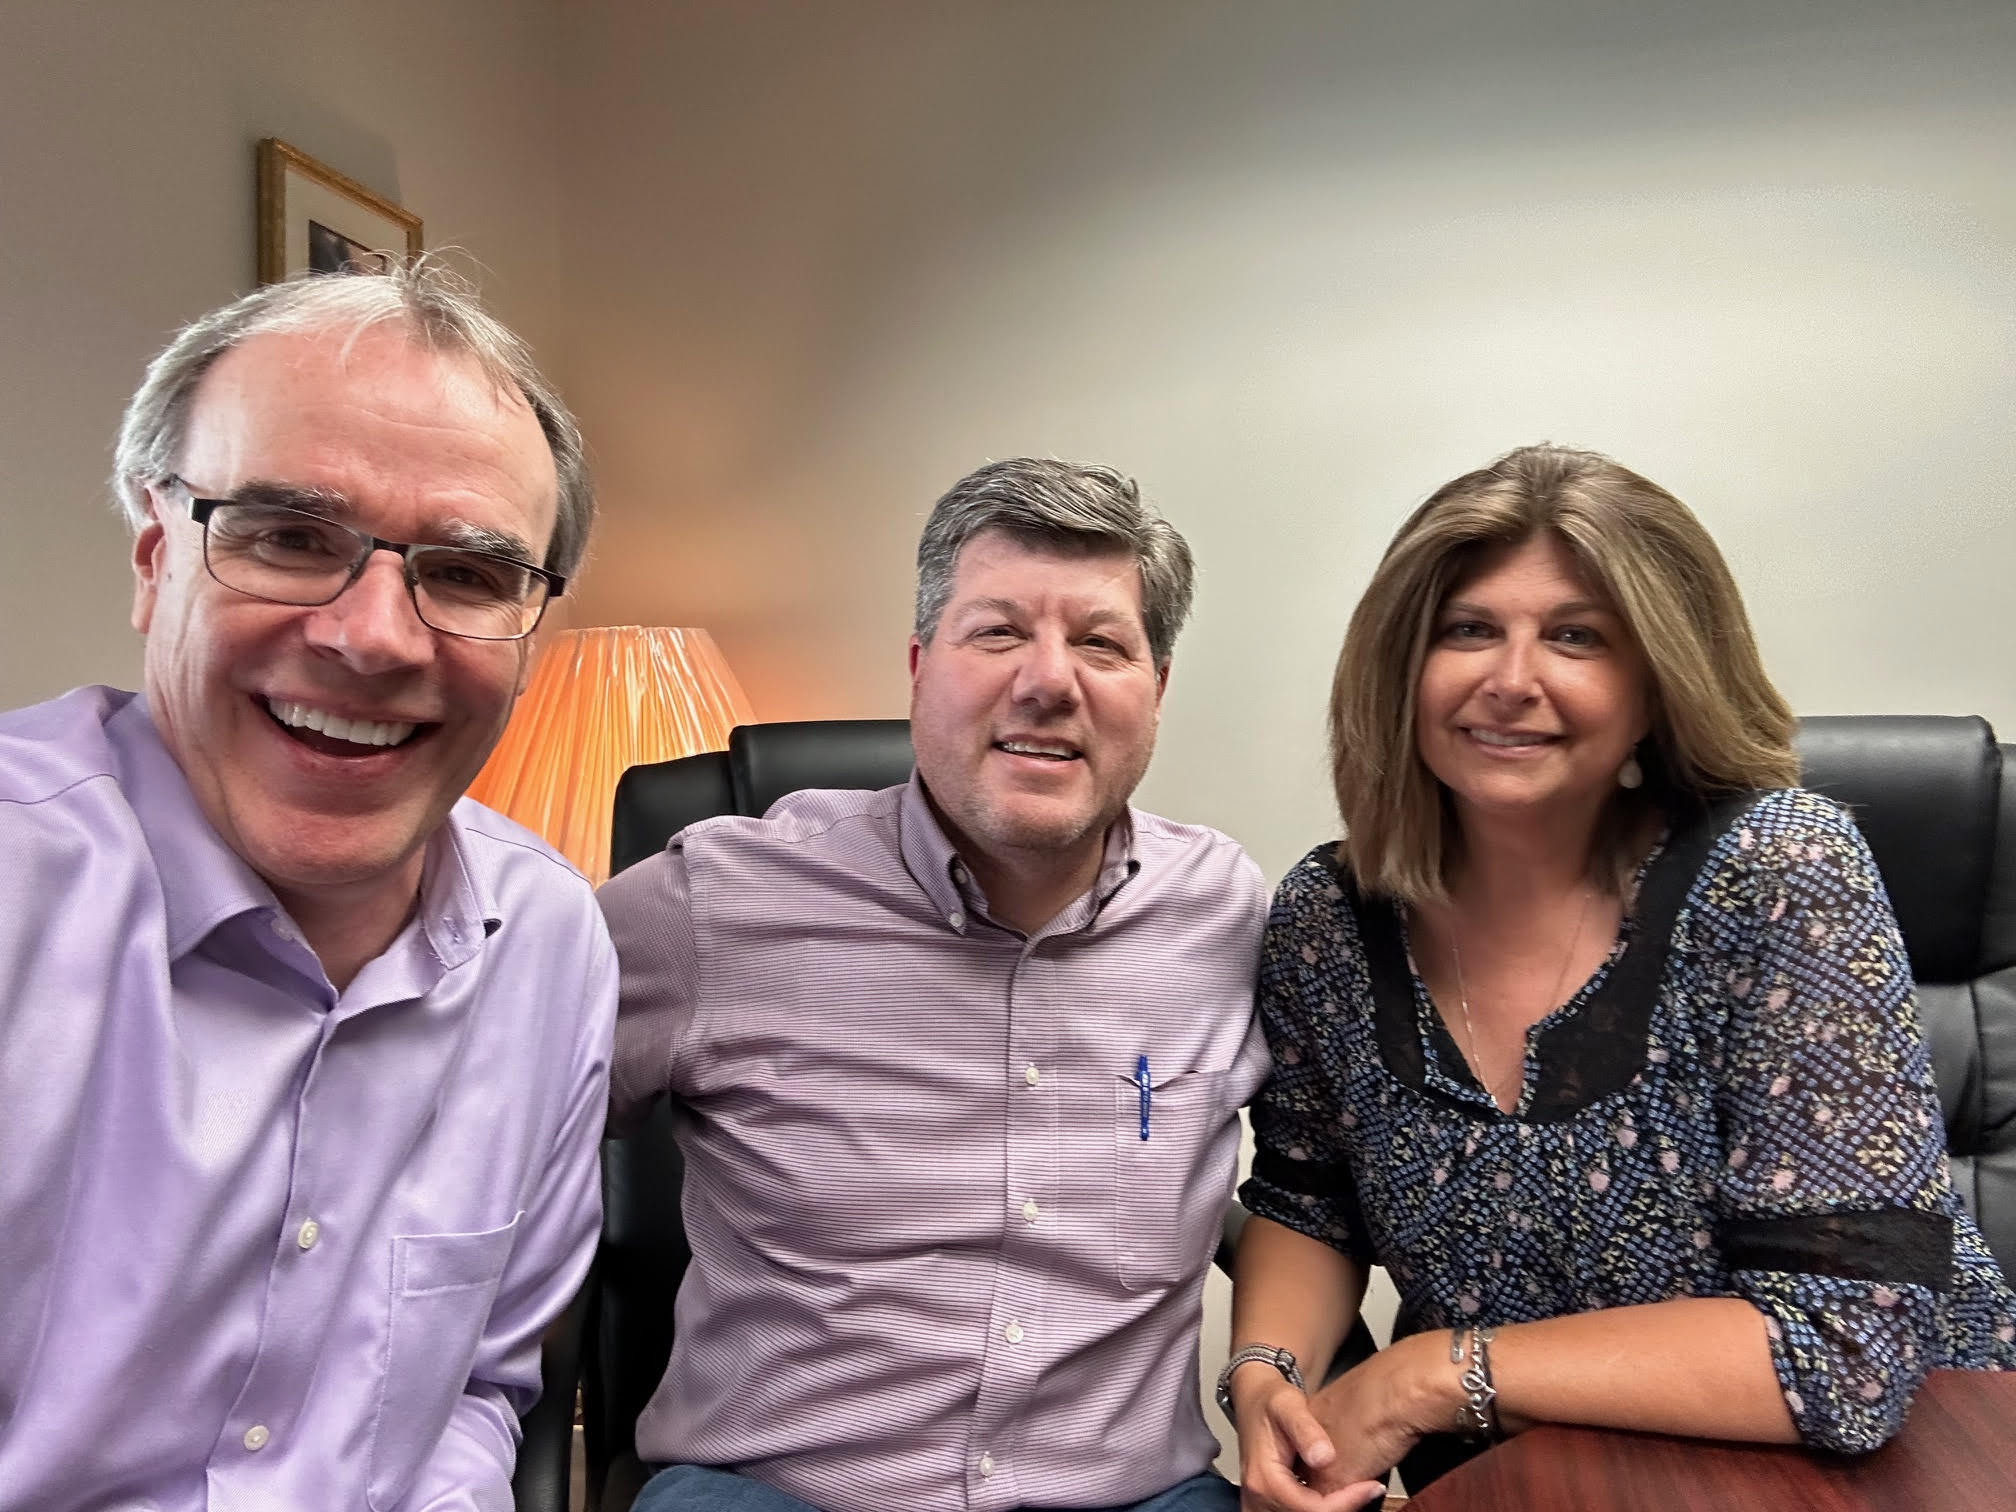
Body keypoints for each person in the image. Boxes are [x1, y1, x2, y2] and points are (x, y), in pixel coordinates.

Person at [1226, 443, 2016, 1509]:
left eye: (1575, 637)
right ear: (1398, 669)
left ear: (1657, 683)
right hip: (1522, 1481)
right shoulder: (1329, 915)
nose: (1512, 681)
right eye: (1468, 630)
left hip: (1873, 1477)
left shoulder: (1779, 873)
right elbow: (1307, 1201)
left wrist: (1433, 1373)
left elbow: (1845, 1351)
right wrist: (1267, 1375)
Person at [0, 262, 616, 1510]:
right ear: (154, 557)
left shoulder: (548, 943)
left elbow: (480, 1390)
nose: (378, 636)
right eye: (289, 537)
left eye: (466, 572)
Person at [601, 458, 1326, 1512]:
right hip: (777, 1495)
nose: (1048, 680)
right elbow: (477, 1129)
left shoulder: (1226, 910)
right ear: (918, 667)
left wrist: (1274, 1370)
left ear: (1156, 691)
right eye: (996, 633)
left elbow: (1319, 1192)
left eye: (1100, 642)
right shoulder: (714, 901)